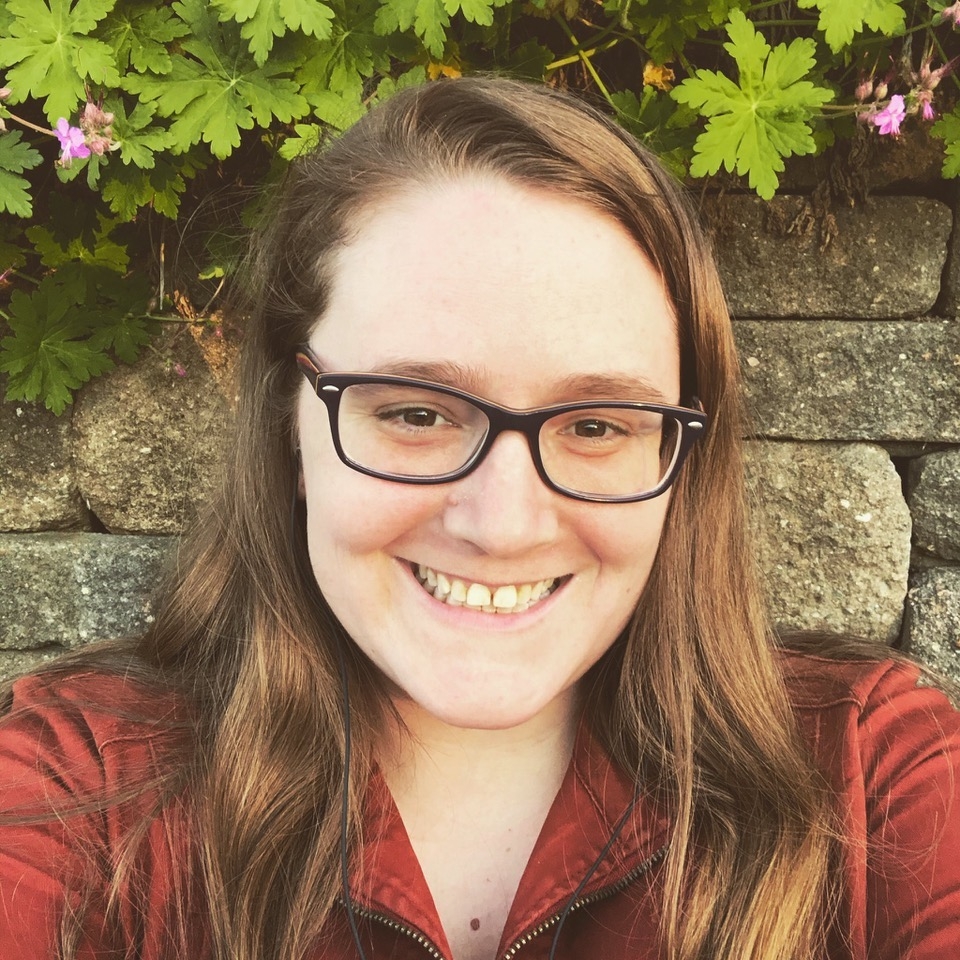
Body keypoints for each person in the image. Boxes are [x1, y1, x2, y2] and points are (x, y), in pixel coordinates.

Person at [1, 76, 958, 960]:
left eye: (595, 425)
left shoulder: (870, 775)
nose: (502, 525)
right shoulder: (82, 787)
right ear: (290, 425)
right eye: (416, 414)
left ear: (680, 456)